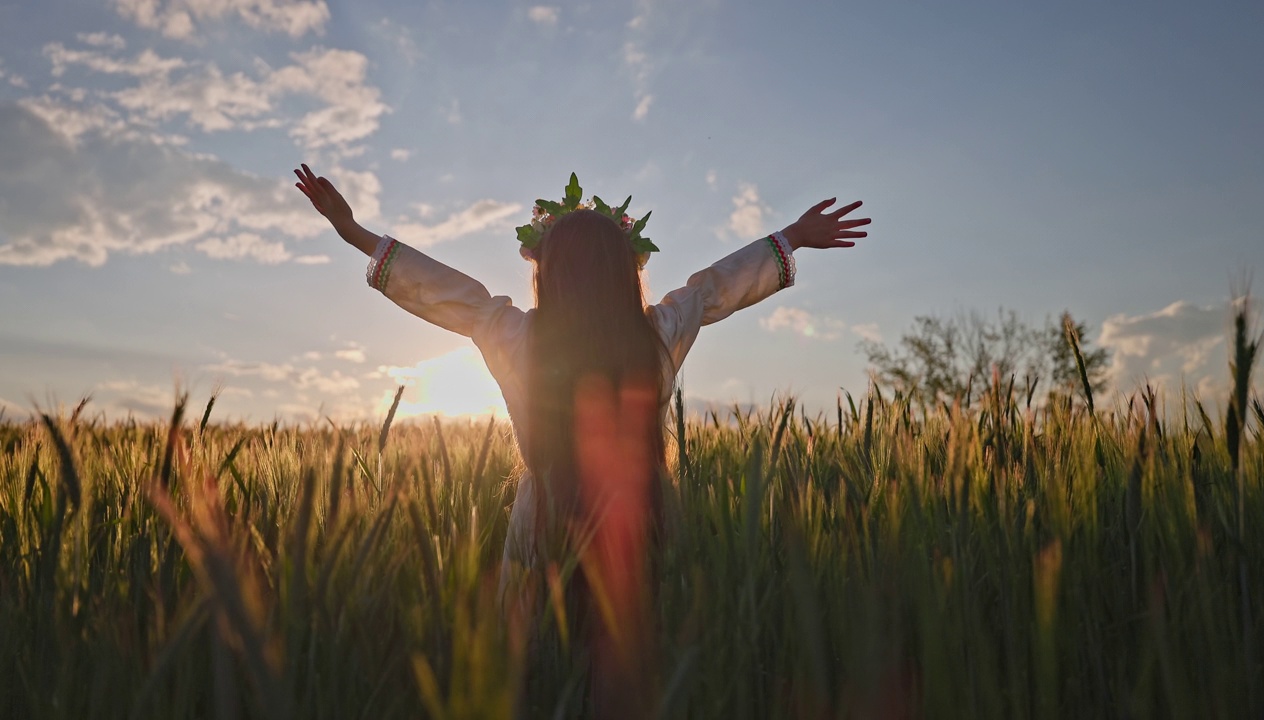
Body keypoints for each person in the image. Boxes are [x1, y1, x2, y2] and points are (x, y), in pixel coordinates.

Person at [293, 163, 869, 710]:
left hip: (542, 520)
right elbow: (713, 289)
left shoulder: (517, 336)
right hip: (644, 517)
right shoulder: (657, 334)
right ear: (627, 272)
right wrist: (791, 235)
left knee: (540, 667)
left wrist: (354, 233)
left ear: (546, 273)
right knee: (633, 662)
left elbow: (449, 292)